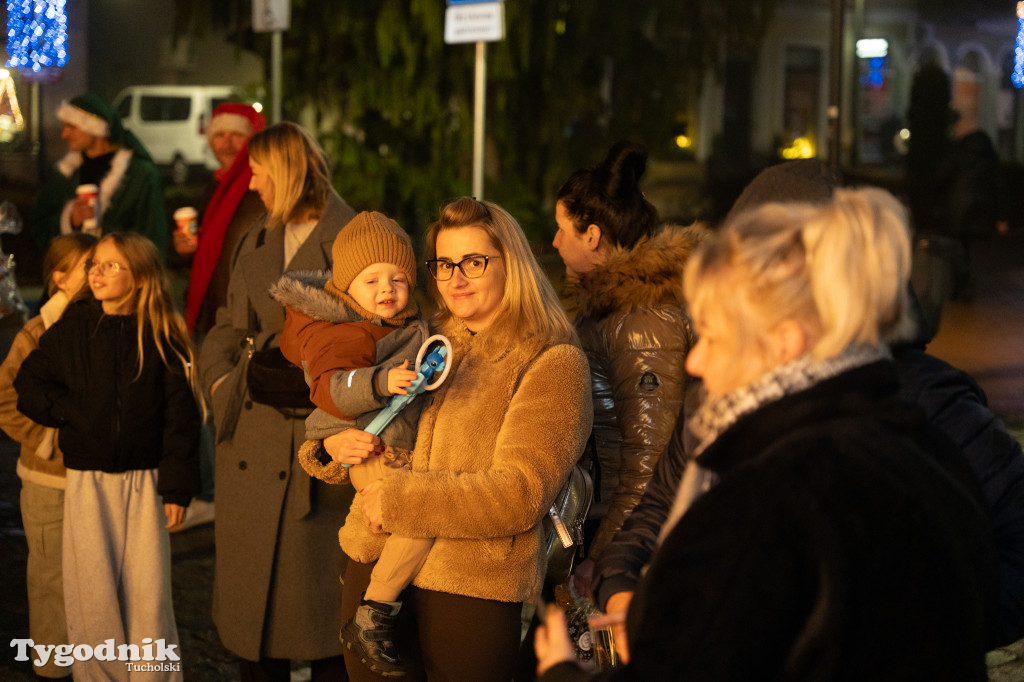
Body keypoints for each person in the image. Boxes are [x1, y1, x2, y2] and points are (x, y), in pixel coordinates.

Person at [537, 187, 997, 680]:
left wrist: (562, 671)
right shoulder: (928, 452)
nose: (695, 358)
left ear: (785, 342)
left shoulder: (763, 500)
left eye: (712, 333)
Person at [316, 197, 592, 682]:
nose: (455, 279)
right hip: (373, 562)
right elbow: (356, 406)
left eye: (474, 262)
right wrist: (330, 448)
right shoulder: (423, 336)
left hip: (469, 587)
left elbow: (518, 493)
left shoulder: (552, 361)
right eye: (444, 264)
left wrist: (400, 500)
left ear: (514, 265)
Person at [198, 121, 357, 681]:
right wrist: (219, 384)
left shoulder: (356, 238)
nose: (251, 184)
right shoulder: (255, 237)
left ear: (286, 172)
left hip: (317, 442)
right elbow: (226, 323)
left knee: (319, 626)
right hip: (253, 429)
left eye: (259, 172)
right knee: (253, 637)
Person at [14, 232, 202, 681]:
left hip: (145, 480)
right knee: (91, 592)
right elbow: (29, 386)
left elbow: (181, 418)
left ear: (138, 277)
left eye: (111, 265)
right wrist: (73, 414)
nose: (97, 272)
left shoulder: (161, 335)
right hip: (87, 481)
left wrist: (176, 487)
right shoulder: (73, 329)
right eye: (95, 264)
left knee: (147, 593)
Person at [271, 210, 430, 677]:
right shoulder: (346, 331)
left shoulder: (403, 324)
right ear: (345, 288)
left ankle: (376, 605)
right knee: (414, 519)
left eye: (398, 278)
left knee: (403, 524)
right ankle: (373, 612)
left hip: (394, 447)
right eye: (372, 280)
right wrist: (380, 380)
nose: (387, 289)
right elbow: (331, 388)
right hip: (371, 447)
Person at [552, 140, 703, 592]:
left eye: (562, 229)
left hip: (624, 542)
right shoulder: (610, 309)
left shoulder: (641, 320)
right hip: (609, 526)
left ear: (592, 235)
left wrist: (603, 563)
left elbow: (649, 462)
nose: (555, 241)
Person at [0, 232, 96, 680]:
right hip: (47, 480)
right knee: (50, 581)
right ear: (59, 277)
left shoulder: (111, 323)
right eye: (88, 266)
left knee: (98, 580)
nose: (99, 274)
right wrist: (48, 439)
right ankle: (53, 670)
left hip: (101, 478)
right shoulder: (37, 332)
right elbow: (6, 399)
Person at [31, 92, 168, 256]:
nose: (64, 134)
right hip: (71, 277)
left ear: (95, 127)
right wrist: (70, 219)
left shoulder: (140, 175)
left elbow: (151, 242)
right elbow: (37, 229)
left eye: (72, 126)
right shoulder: (65, 173)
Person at [178, 103, 268, 337]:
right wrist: (185, 249)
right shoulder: (215, 187)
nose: (227, 143)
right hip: (215, 309)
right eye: (219, 135)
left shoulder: (260, 188)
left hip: (244, 314)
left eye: (237, 135)